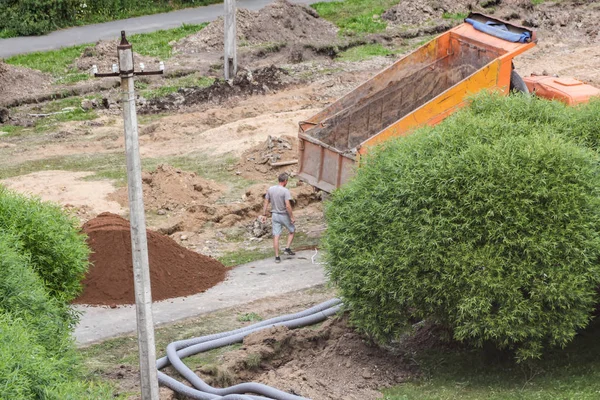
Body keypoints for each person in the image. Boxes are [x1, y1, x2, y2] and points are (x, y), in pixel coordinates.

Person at [260, 172, 295, 263]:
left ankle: (277, 257)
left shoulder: (270, 189)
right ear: (285, 181)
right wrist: (291, 217)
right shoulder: (285, 191)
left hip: (274, 215)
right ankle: (287, 248)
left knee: (276, 235)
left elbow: (266, 202)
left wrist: (264, 214)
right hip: (283, 215)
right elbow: (287, 205)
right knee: (292, 230)